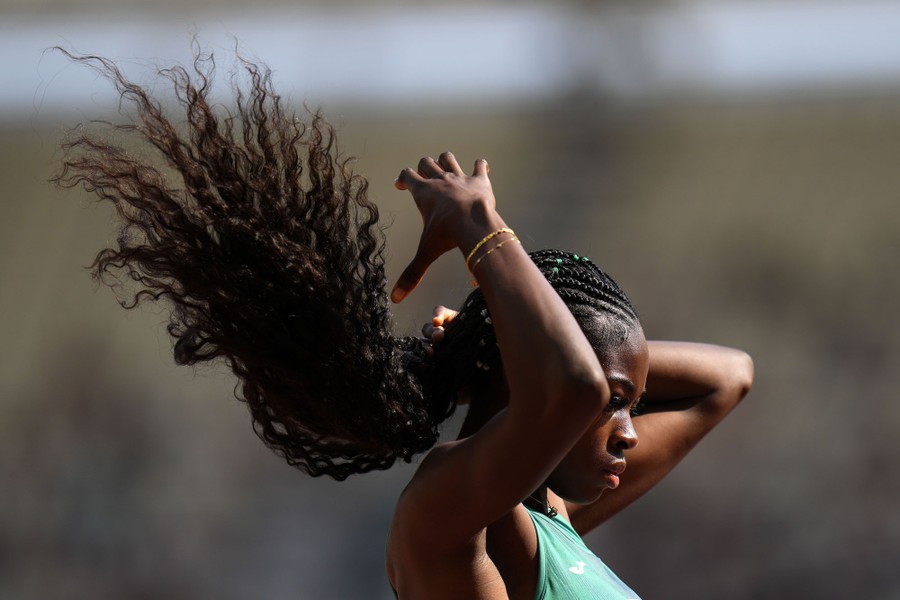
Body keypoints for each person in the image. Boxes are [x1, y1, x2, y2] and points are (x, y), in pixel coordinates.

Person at [55, 48, 753, 599]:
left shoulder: (552, 523)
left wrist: (502, 351)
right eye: (616, 404)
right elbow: (572, 388)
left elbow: (729, 378)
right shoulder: (447, 511)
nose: (628, 432)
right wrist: (481, 229)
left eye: (627, 406)